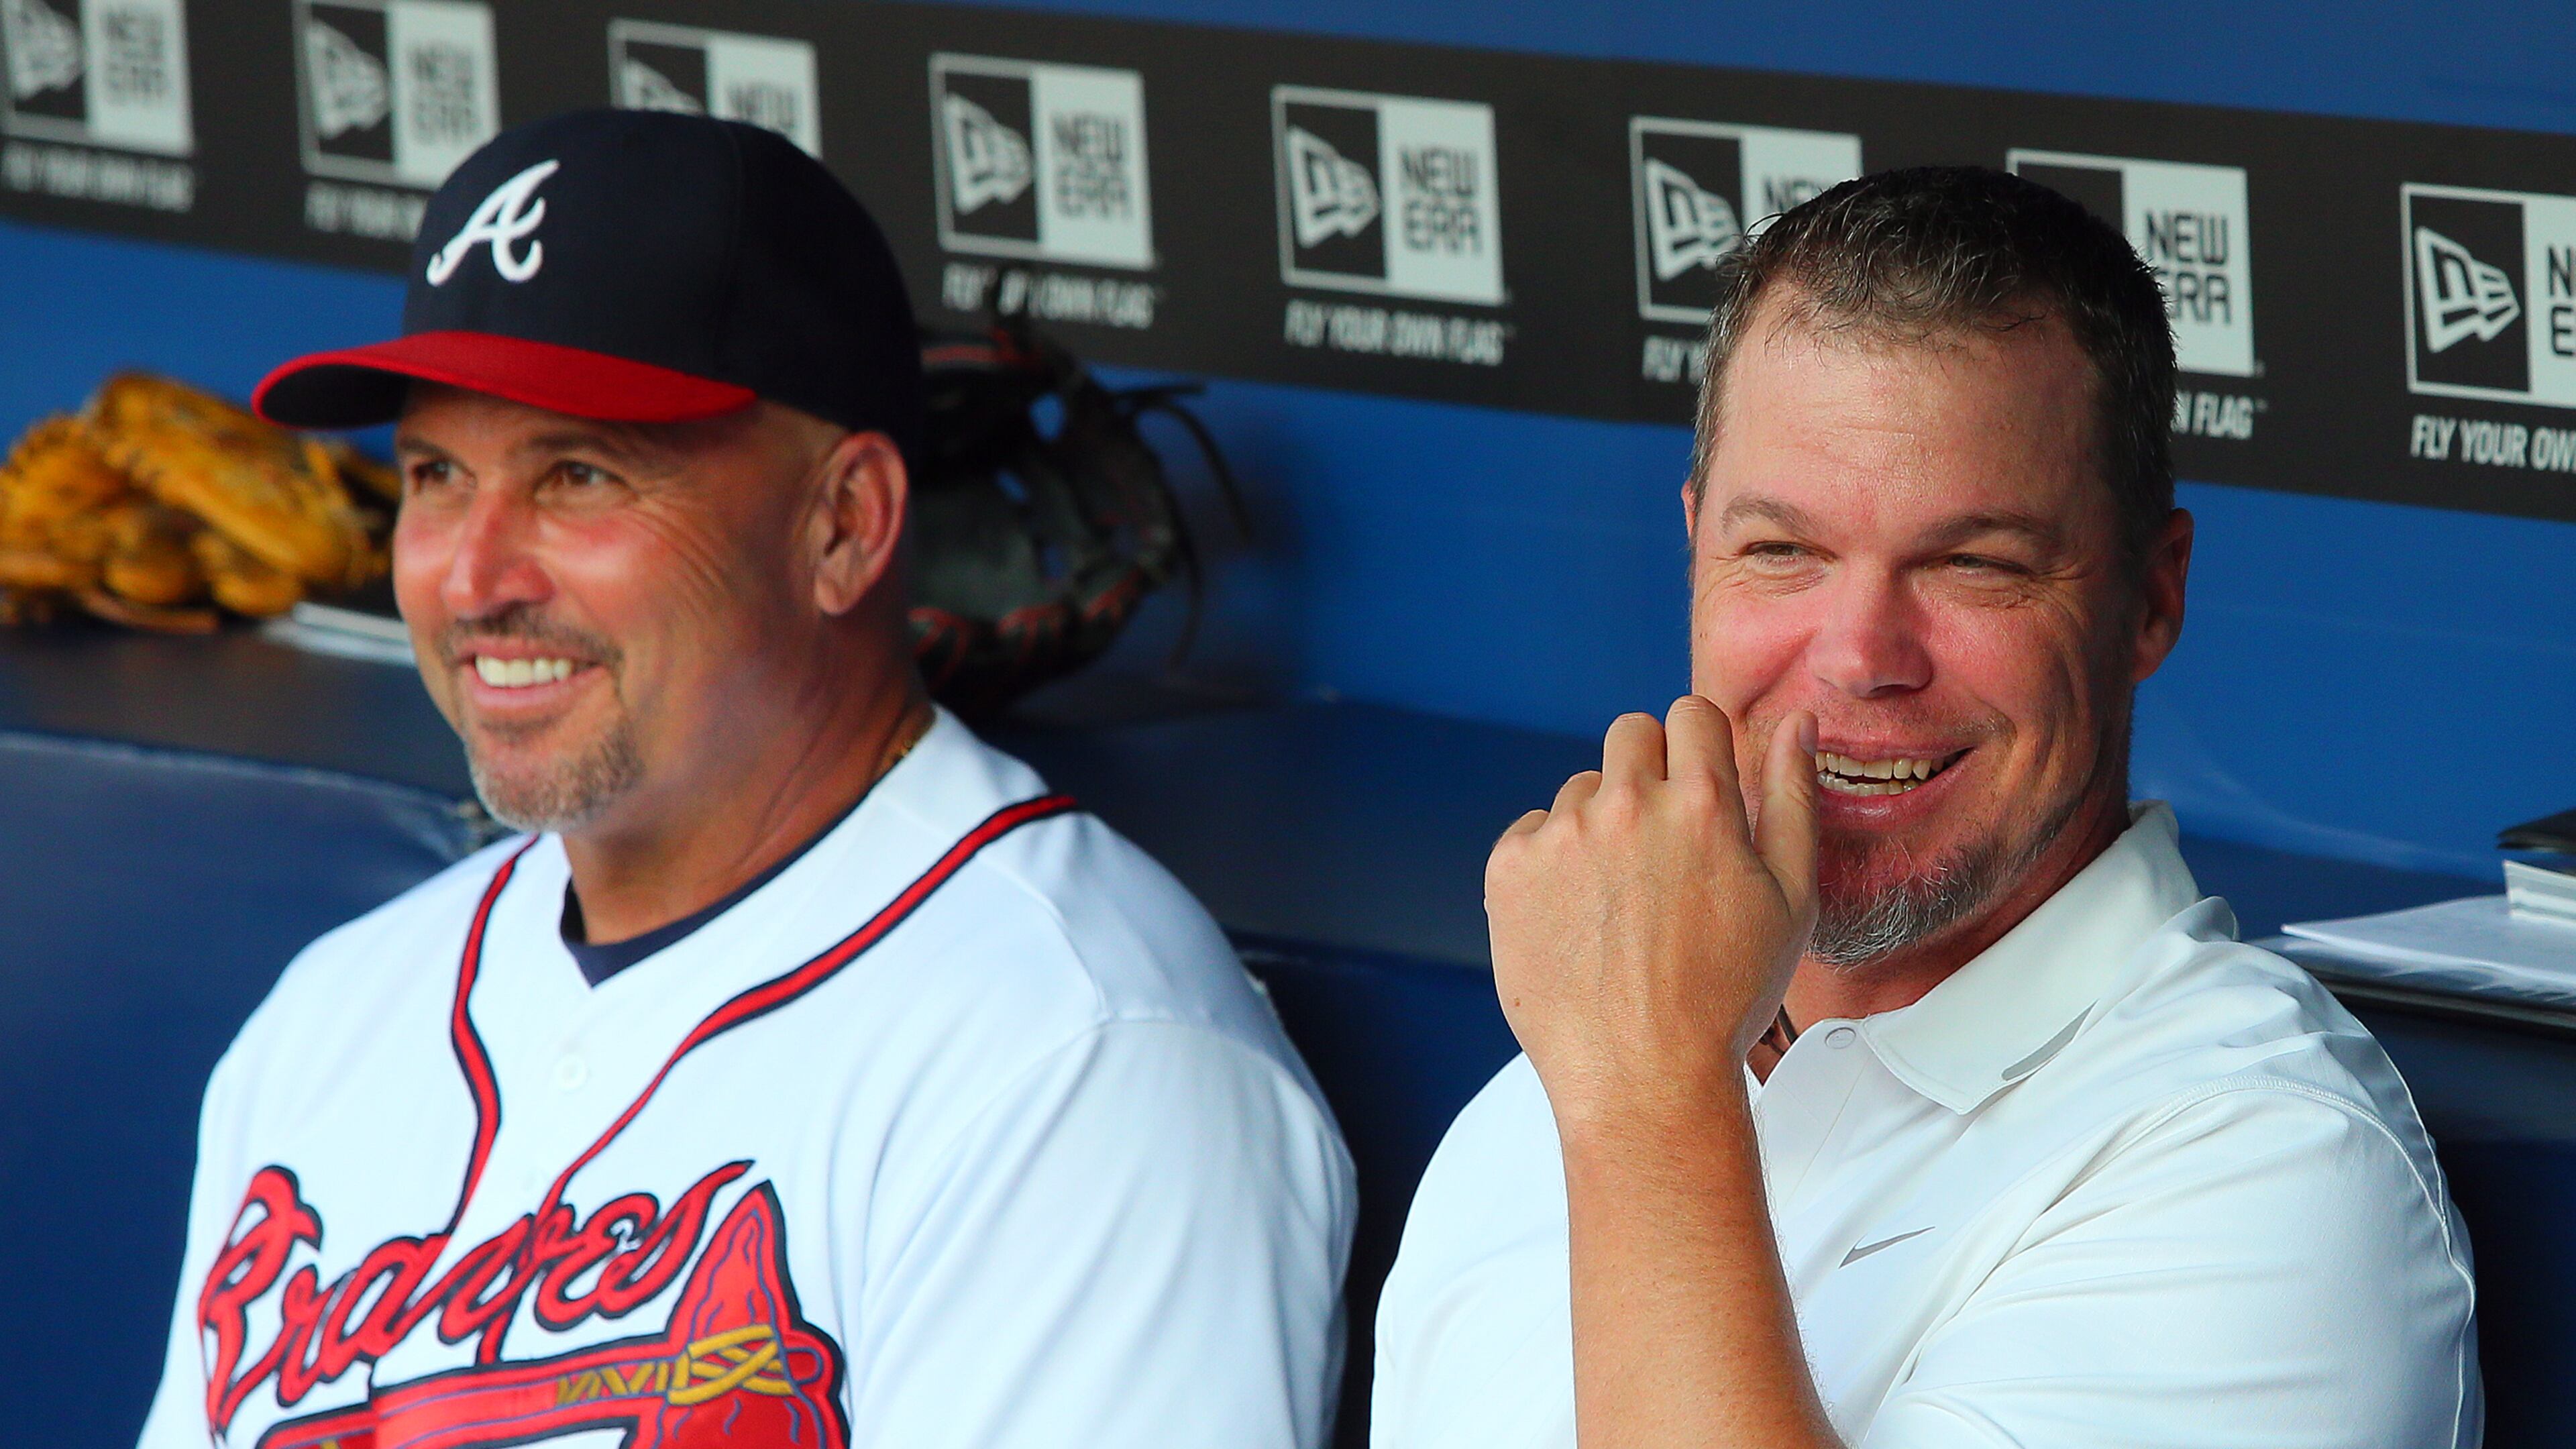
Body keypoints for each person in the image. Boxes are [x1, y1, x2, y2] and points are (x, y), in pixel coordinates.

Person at [136, 109, 1354, 1449]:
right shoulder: (333, 1020)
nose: (473, 577)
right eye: (437, 474)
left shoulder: (1080, 1063)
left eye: (579, 475)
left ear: (844, 525)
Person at [1372, 167, 2477, 1448]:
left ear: (2151, 600)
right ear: (1696, 553)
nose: (1859, 654)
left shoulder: (2269, 1166)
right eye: (1781, 551)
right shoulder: (1557, 1096)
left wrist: (1654, 1106)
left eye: (1973, 564)